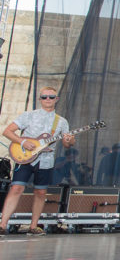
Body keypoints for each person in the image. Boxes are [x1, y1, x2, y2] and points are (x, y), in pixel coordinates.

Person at [0, 87, 75, 236]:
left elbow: (67, 145)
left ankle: (33, 226)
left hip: (45, 160)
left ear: (56, 99)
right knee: (16, 188)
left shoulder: (61, 121)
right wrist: (23, 142)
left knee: (40, 192)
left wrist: (70, 141)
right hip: (25, 157)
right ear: (40, 99)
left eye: (51, 97)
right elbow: (7, 131)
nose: (48, 99)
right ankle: (2, 224)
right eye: (45, 97)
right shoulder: (28, 116)